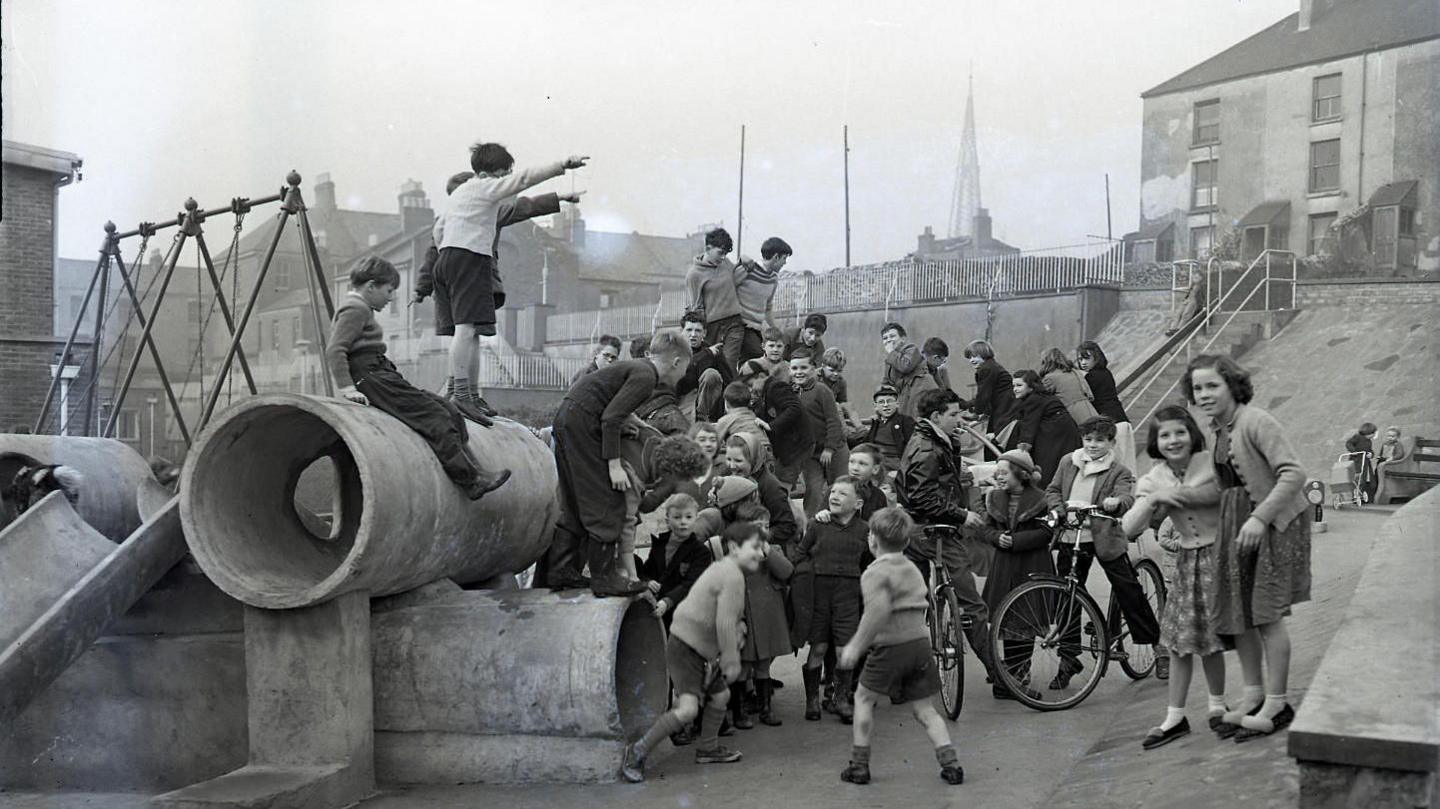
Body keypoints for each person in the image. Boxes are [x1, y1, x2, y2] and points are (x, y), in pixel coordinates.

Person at [1184, 354, 1310, 742]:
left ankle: (1278, 702)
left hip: (1272, 525)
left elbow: (1293, 472)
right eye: (1198, 388)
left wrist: (1260, 518)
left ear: (1232, 386)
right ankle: (1254, 696)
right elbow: (1226, 486)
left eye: (1212, 386)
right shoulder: (1218, 430)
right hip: (1239, 527)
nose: (1203, 394)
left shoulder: (1256, 420)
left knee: (1267, 615)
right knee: (1242, 614)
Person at [326, 256, 510, 501]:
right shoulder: (355, 308)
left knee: (448, 408)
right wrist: (348, 388)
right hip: (370, 376)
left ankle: (475, 469)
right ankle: (470, 480)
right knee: (434, 417)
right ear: (370, 286)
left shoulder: (361, 308)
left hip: (380, 372)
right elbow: (335, 350)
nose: (391, 298)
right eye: (389, 291)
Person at [434, 145, 586, 418]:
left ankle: (467, 393)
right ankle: (461, 395)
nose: (506, 180)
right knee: (467, 329)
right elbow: (524, 179)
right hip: (470, 257)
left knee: (470, 332)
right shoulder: (482, 188)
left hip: (448, 257)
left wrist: (447, 250)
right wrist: (562, 163)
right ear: (483, 174)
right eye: (502, 174)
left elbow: (438, 229)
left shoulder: (460, 195)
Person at [547, 329, 691, 597]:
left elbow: (616, 407)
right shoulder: (647, 377)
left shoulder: (639, 368)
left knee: (575, 501)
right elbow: (611, 419)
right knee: (607, 500)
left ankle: (561, 571)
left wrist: (636, 423)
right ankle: (604, 579)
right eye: (685, 368)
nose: (683, 375)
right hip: (583, 424)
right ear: (676, 362)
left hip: (569, 419)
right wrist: (614, 466)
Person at [621, 521, 764, 782]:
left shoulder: (725, 569)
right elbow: (723, 621)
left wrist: (736, 630)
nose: (762, 553)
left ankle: (708, 748)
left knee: (720, 697)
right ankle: (636, 752)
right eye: (755, 547)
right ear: (733, 547)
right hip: (688, 649)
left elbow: (727, 618)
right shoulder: (731, 575)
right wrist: (732, 658)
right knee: (687, 710)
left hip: (698, 649)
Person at [1123, 405, 1229, 749]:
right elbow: (1129, 528)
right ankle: (1175, 716)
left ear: (1192, 433)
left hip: (1221, 557)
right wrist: (1154, 499)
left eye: (1179, 432)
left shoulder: (1211, 462)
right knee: (1181, 643)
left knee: (1212, 641)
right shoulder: (1154, 478)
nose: (1173, 440)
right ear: (1155, 441)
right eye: (1165, 435)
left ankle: (1218, 706)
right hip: (1188, 564)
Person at [837, 506, 965, 787]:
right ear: (907, 542)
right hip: (919, 645)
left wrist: (855, 647)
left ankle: (859, 765)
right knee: (925, 710)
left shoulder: (874, 572)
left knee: (863, 699)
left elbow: (877, 612)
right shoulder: (912, 568)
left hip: (889, 647)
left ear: (872, 539)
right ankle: (951, 763)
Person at [1043, 416, 1158, 690]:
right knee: (1067, 597)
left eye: (1099, 441)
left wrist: (1116, 502)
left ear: (1111, 443)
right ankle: (1069, 658)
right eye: (1088, 440)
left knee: (1128, 589)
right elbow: (1053, 489)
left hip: (1104, 535)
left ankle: (1158, 645)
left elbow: (1127, 496)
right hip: (1073, 536)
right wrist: (1058, 508)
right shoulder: (1068, 462)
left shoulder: (1118, 470)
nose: (1092, 445)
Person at [896, 387, 993, 676]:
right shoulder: (928, 447)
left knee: (915, 602)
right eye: (954, 414)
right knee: (973, 606)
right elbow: (923, 496)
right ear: (936, 416)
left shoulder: (928, 439)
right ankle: (1001, 677)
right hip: (933, 532)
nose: (959, 419)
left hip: (913, 531)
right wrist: (962, 514)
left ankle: (907, 673)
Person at [700, 472, 793, 730]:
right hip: (745, 615)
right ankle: (740, 711)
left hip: (767, 615)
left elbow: (786, 572)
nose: (762, 531)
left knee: (764, 665)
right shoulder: (733, 550)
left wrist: (768, 553)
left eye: (765, 526)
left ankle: (765, 708)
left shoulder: (771, 548)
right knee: (743, 665)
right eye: (756, 527)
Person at [971, 450, 1053, 701]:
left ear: (1021, 474)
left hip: (1031, 565)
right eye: (998, 472)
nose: (998, 476)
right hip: (1005, 566)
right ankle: (1012, 676)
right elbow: (985, 529)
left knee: (1025, 619)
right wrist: (997, 537)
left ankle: (1016, 674)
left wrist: (1015, 540)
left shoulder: (1041, 499)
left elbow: (1047, 532)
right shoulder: (994, 498)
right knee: (1007, 619)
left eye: (1004, 472)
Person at [793, 477, 869, 724]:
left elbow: (871, 562)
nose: (835, 496)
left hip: (848, 595)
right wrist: (808, 575)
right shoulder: (818, 524)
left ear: (858, 503)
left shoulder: (865, 530)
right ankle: (812, 700)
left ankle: (841, 698)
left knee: (844, 650)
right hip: (819, 594)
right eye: (833, 491)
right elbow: (800, 554)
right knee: (819, 647)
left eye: (843, 494)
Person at [791, 347, 847, 517]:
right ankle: (812, 528)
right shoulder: (791, 392)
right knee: (813, 490)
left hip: (834, 449)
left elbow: (833, 420)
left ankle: (843, 524)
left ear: (814, 369)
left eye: (803, 368)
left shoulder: (822, 390)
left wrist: (829, 448)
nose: (799, 372)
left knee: (840, 488)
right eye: (794, 368)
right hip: (810, 454)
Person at [738, 359, 812, 488]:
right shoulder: (765, 392)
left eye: (750, 385)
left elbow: (794, 408)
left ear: (761, 377)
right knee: (778, 485)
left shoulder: (775, 387)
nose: (750, 390)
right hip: (789, 447)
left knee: (782, 488)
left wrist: (771, 426)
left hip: (797, 445)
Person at [1005, 370, 1081, 488]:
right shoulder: (1040, 396)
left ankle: (1046, 487)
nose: (1015, 389)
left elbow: (1029, 424)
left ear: (1031, 387)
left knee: (1048, 463)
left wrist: (1022, 449)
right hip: (1063, 431)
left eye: (1019, 385)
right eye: (1013, 386)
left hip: (1055, 433)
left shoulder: (1033, 400)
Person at [684, 228, 746, 371]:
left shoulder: (725, 263)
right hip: (712, 327)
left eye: (726, 253)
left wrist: (745, 262)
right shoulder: (694, 275)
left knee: (729, 364)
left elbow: (737, 277)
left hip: (734, 323)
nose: (723, 257)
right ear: (708, 248)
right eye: (720, 253)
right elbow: (696, 306)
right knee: (711, 365)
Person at [1076, 341, 1135, 471]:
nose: (1083, 363)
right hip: (1122, 420)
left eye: (1087, 358)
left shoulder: (1091, 377)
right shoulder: (1106, 373)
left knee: (1115, 466)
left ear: (1096, 358)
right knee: (1128, 465)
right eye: (1080, 359)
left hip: (1113, 424)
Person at [736, 237, 792, 363]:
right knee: (759, 358)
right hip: (739, 325)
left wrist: (776, 329)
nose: (785, 263)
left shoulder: (773, 279)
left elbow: (768, 308)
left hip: (756, 329)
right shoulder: (747, 270)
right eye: (784, 258)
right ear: (776, 257)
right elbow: (728, 288)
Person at [677, 312, 734, 423]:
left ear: (704, 333)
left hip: (709, 406)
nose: (693, 335)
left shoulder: (715, 352)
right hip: (682, 401)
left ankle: (702, 416)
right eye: (689, 330)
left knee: (711, 374)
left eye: (698, 331)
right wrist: (706, 354)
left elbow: (729, 381)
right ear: (682, 332)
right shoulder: (676, 352)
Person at [848, 385, 915, 475]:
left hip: (895, 463)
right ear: (875, 406)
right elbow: (865, 442)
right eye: (881, 402)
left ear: (897, 404)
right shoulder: (876, 424)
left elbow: (912, 447)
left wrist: (903, 468)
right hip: (876, 461)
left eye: (890, 401)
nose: (886, 405)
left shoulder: (905, 421)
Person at [880, 322, 939, 419]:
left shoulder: (911, 349)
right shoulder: (890, 359)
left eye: (892, 336)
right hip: (905, 398)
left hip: (919, 391)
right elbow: (887, 382)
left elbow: (905, 366)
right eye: (885, 338)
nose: (888, 340)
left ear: (903, 338)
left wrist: (891, 352)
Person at [962, 339, 1015, 436]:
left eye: (974, 356)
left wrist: (976, 413)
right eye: (969, 358)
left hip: (1003, 410)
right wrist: (986, 413)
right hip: (1005, 408)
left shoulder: (986, 369)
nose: (971, 360)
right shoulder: (992, 366)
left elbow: (983, 394)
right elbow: (992, 393)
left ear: (984, 354)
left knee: (995, 440)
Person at [1039, 347, 1100, 427]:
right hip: (1088, 408)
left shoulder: (1049, 378)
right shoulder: (1074, 371)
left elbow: (1042, 399)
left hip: (1073, 413)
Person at [715, 382, 771, 465]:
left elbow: (715, 442)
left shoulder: (726, 419)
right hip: (767, 449)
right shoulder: (751, 415)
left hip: (750, 451)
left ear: (726, 403)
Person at [1374, 426, 1417, 504]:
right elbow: (1382, 451)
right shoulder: (1385, 443)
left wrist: (1392, 458)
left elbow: (1400, 454)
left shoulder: (1398, 444)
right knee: (1377, 473)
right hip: (1383, 461)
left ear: (1397, 437)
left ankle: (1382, 490)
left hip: (1392, 463)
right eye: (1389, 436)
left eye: (1393, 436)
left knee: (1382, 470)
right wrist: (1379, 456)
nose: (1390, 438)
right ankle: (1377, 487)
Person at [818, 347, 859, 429]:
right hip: (818, 408)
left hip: (834, 412)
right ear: (823, 366)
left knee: (847, 405)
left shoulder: (841, 382)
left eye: (839, 371)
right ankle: (845, 432)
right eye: (832, 370)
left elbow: (843, 402)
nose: (836, 374)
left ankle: (860, 428)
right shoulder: (815, 377)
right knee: (835, 405)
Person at [1343, 422, 1379, 502]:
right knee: (1356, 478)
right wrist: (1354, 451)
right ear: (1370, 433)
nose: (1374, 435)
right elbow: (1349, 443)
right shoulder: (1357, 437)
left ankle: (1360, 494)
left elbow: (1370, 450)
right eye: (1374, 433)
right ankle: (1355, 495)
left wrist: (1371, 454)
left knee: (1363, 479)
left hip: (1365, 462)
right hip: (1356, 461)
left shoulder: (1369, 441)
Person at [1166, 270, 1205, 336]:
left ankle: (1180, 328)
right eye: (1193, 278)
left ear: (1201, 278)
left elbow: (1203, 297)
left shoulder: (1202, 286)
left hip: (1195, 301)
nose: (1194, 280)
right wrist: (1185, 299)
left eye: (1196, 278)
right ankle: (1172, 328)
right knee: (1178, 313)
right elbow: (1189, 294)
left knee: (1186, 313)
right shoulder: (1192, 285)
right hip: (1188, 300)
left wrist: (1203, 305)